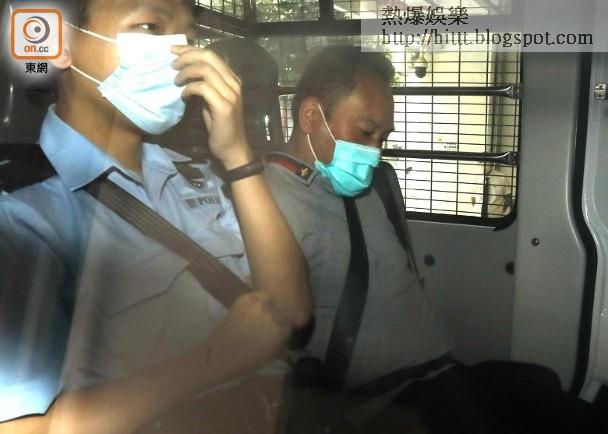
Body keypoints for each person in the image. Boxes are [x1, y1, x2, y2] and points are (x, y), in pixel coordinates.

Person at [0, 0, 312, 433]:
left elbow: (291, 311)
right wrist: (215, 360)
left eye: (188, 36)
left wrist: (237, 155)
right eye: (150, 27)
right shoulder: (23, 212)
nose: (180, 52)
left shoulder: (196, 175)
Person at [264, 45, 602, 434]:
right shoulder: (268, 203)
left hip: (441, 372)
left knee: (560, 402)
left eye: (382, 137)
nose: (374, 152)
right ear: (310, 116)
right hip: (386, 401)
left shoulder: (365, 187)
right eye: (365, 132)